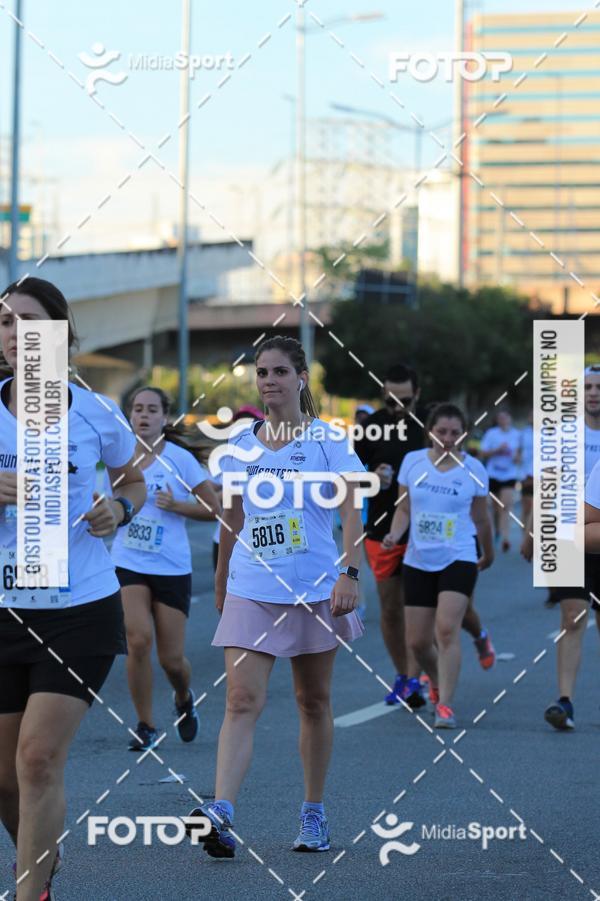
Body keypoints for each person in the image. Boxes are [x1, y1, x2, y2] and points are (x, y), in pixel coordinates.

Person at [188, 335, 365, 857]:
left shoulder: (328, 440)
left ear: (301, 378)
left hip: (314, 587)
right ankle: (221, 811)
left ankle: (313, 812)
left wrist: (349, 572)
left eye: (280, 372)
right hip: (252, 587)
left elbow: (353, 509)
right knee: (241, 699)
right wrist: (222, 578)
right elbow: (232, 517)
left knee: (313, 702)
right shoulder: (240, 445)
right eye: (262, 373)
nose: (269, 381)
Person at [0, 277, 146, 901]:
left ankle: (30, 892)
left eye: (28, 322)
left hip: (80, 606)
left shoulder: (93, 411)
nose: (14, 335)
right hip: (4, 609)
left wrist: (120, 507)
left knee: (36, 760)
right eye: (5, 324)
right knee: (4, 779)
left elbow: (135, 479)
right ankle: (42, 859)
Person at [107, 386, 221, 751]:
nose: (144, 415)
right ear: (129, 416)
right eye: (137, 408)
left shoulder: (180, 460)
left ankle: (184, 697)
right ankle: (146, 725)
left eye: (152, 409)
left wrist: (177, 506)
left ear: (164, 417)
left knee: (171, 660)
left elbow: (213, 509)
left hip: (171, 566)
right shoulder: (116, 459)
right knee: (137, 639)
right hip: (127, 561)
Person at [383, 403, 494, 729]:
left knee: (445, 629)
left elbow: (481, 518)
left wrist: (488, 553)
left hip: (458, 555)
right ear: (430, 431)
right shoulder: (413, 462)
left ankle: (445, 704)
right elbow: (403, 510)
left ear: (464, 435)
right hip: (418, 558)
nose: (447, 438)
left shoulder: (474, 469)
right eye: (441, 432)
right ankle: (435, 679)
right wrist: (393, 534)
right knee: (417, 642)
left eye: (455, 433)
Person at [523, 365, 600, 730]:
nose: (593, 393)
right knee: (572, 617)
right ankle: (565, 701)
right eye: (587, 386)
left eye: (599, 387)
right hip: (571, 538)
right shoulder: (565, 435)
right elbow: (546, 485)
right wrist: (533, 532)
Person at [354, 364, 423, 706]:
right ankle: (405, 675)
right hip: (380, 529)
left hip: (425, 530)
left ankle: (419, 677)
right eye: (392, 400)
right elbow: (345, 475)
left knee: (420, 607)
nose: (398, 407)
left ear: (418, 395)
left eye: (405, 401)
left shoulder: (429, 425)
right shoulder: (371, 427)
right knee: (391, 609)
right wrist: (370, 474)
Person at [479, 409, 521, 552]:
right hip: (493, 474)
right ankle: (497, 530)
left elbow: (521, 455)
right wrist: (497, 450)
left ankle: (505, 538)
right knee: (495, 508)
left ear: (510, 419)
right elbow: (483, 453)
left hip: (509, 475)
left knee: (505, 506)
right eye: (500, 418)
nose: (503, 420)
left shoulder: (517, 434)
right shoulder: (491, 434)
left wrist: (517, 458)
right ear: (497, 420)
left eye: (505, 417)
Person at [519, 410, 534, 526]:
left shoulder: (551, 432)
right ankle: (525, 537)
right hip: (526, 475)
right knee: (527, 508)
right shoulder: (524, 433)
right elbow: (517, 452)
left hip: (543, 477)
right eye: (531, 415)